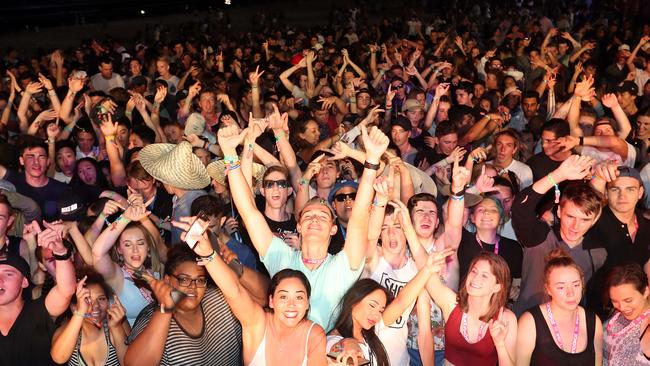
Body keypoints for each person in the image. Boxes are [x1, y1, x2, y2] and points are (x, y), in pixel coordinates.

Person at [220, 123, 389, 331]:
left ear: (333, 229)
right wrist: (229, 153)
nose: (315, 219)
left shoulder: (343, 266)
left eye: (323, 216)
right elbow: (248, 211)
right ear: (298, 226)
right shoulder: (280, 256)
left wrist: (371, 162)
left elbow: (360, 218)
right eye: (308, 215)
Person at [184, 216, 326, 365]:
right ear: (271, 301)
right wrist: (209, 253)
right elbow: (234, 292)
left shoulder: (314, 334)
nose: (291, 305)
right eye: (283, 297)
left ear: (307, 303)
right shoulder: (258, 323)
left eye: (299, 298)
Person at [512, 155, 607, 315]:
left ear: (595, 219)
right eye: (570, 216)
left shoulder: (598, 253)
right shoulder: (539, 238)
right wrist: (559, 175)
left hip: (568, 331)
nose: (575, 226)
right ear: (559, 211)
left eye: (584, 219)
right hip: (527, 325)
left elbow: (592, 299)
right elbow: (520, 208)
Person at [327, 248, 454, 366]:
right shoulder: (333, 339)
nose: (376, 315)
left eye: (381, 310)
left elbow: (401, 301)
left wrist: (427, 269)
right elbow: (338, 347)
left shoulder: (372, 330)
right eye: (372, 305)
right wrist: (350, 343)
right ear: (354, 301)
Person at [124, 244, 242, 365]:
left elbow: (261, 300)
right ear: (167, 281)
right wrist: (165, 310)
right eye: (184, 279)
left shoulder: (219, 298)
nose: (193, 286)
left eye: (200, 280)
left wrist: (236, 270)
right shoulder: (151, 319)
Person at [0, 227, 76, 366]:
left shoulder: (39, 310)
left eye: (8, 274)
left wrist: (60, 253)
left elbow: (66, 290)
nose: (0, 280)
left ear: (24, 282)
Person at [425, 251, 518, 365]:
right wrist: (409, 233)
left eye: (484, 275)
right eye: (474, 271)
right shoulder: (452, 304)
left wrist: (500, 344)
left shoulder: (505, 318)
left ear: (497, 287)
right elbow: (428, 276)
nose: (475, 278)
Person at [516, 249, 603, 365]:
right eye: (561, 287)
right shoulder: (530, 322)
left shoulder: (593, 321)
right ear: (548, 289)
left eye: (576, 285)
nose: (570, 293)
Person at [91, 204, 163, 326]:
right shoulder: (116, 275)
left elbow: (160, 245)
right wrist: (125, 217)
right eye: (128, 245)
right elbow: (98, 253)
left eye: (140, 243)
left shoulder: (156, 271)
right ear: (119, 249)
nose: (135, 250)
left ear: (148, 247)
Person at [50, 269, 128, 366]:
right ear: (74, 307)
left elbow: (130, 363)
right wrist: (80, 312)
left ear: (108, 303)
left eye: (101, 299)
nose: (96, 306)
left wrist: (116, 328)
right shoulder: (67, 330)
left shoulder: (118, 323)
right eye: (87, 299)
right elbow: (58, 358)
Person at [604, 263, 650, 365]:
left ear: (645, 291)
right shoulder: (616, 315)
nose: (622, 307)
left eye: (628, 300)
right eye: (614, 301)